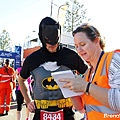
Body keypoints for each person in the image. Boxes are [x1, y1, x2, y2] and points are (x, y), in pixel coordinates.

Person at [18, 17, 88, 120]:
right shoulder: (32, 59)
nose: (52, 46)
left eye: (55, 43)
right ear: (42, 38)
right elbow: (21, 79)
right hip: (40, 112)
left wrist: (79, 95)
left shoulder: (70, 56)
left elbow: (89, 73)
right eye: (49, 43)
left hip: (66, 113)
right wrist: (28, 101)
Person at [59, 23, 120, 120]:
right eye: (76, 46)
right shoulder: (88, 73)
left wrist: (86, 87)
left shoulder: (113, 60)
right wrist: (69, 90)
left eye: (83, 44)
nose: (79, 50)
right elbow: (82, 109)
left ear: (96, 41)